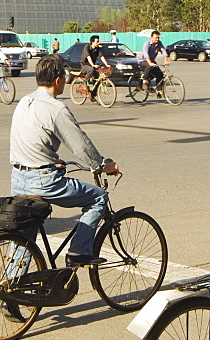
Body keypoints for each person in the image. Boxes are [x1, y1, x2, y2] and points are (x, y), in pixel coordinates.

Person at [9, 54, 120, 269]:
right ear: (58, 80)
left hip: (18, 178)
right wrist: (102, 164)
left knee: (25, 235)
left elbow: (28, 138)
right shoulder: (56, 108)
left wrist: (51, 160)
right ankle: (79, 252)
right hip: (43, 181)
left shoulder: (25, 101)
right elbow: (81, 146)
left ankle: (11, 287)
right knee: (98, 198)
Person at [138, 30, 169, 94]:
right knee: (149, 66)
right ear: (151, 37)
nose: (157, 39)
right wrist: (150, 63)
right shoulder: (147, 43)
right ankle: (144, 80)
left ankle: (159, 91)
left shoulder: (159, 43)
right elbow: (145, 53)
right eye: (155, 37)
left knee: (160, 74)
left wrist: (166, 60)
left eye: (158, 37)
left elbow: (163, 51)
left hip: (152, 61)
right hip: (143, 61)